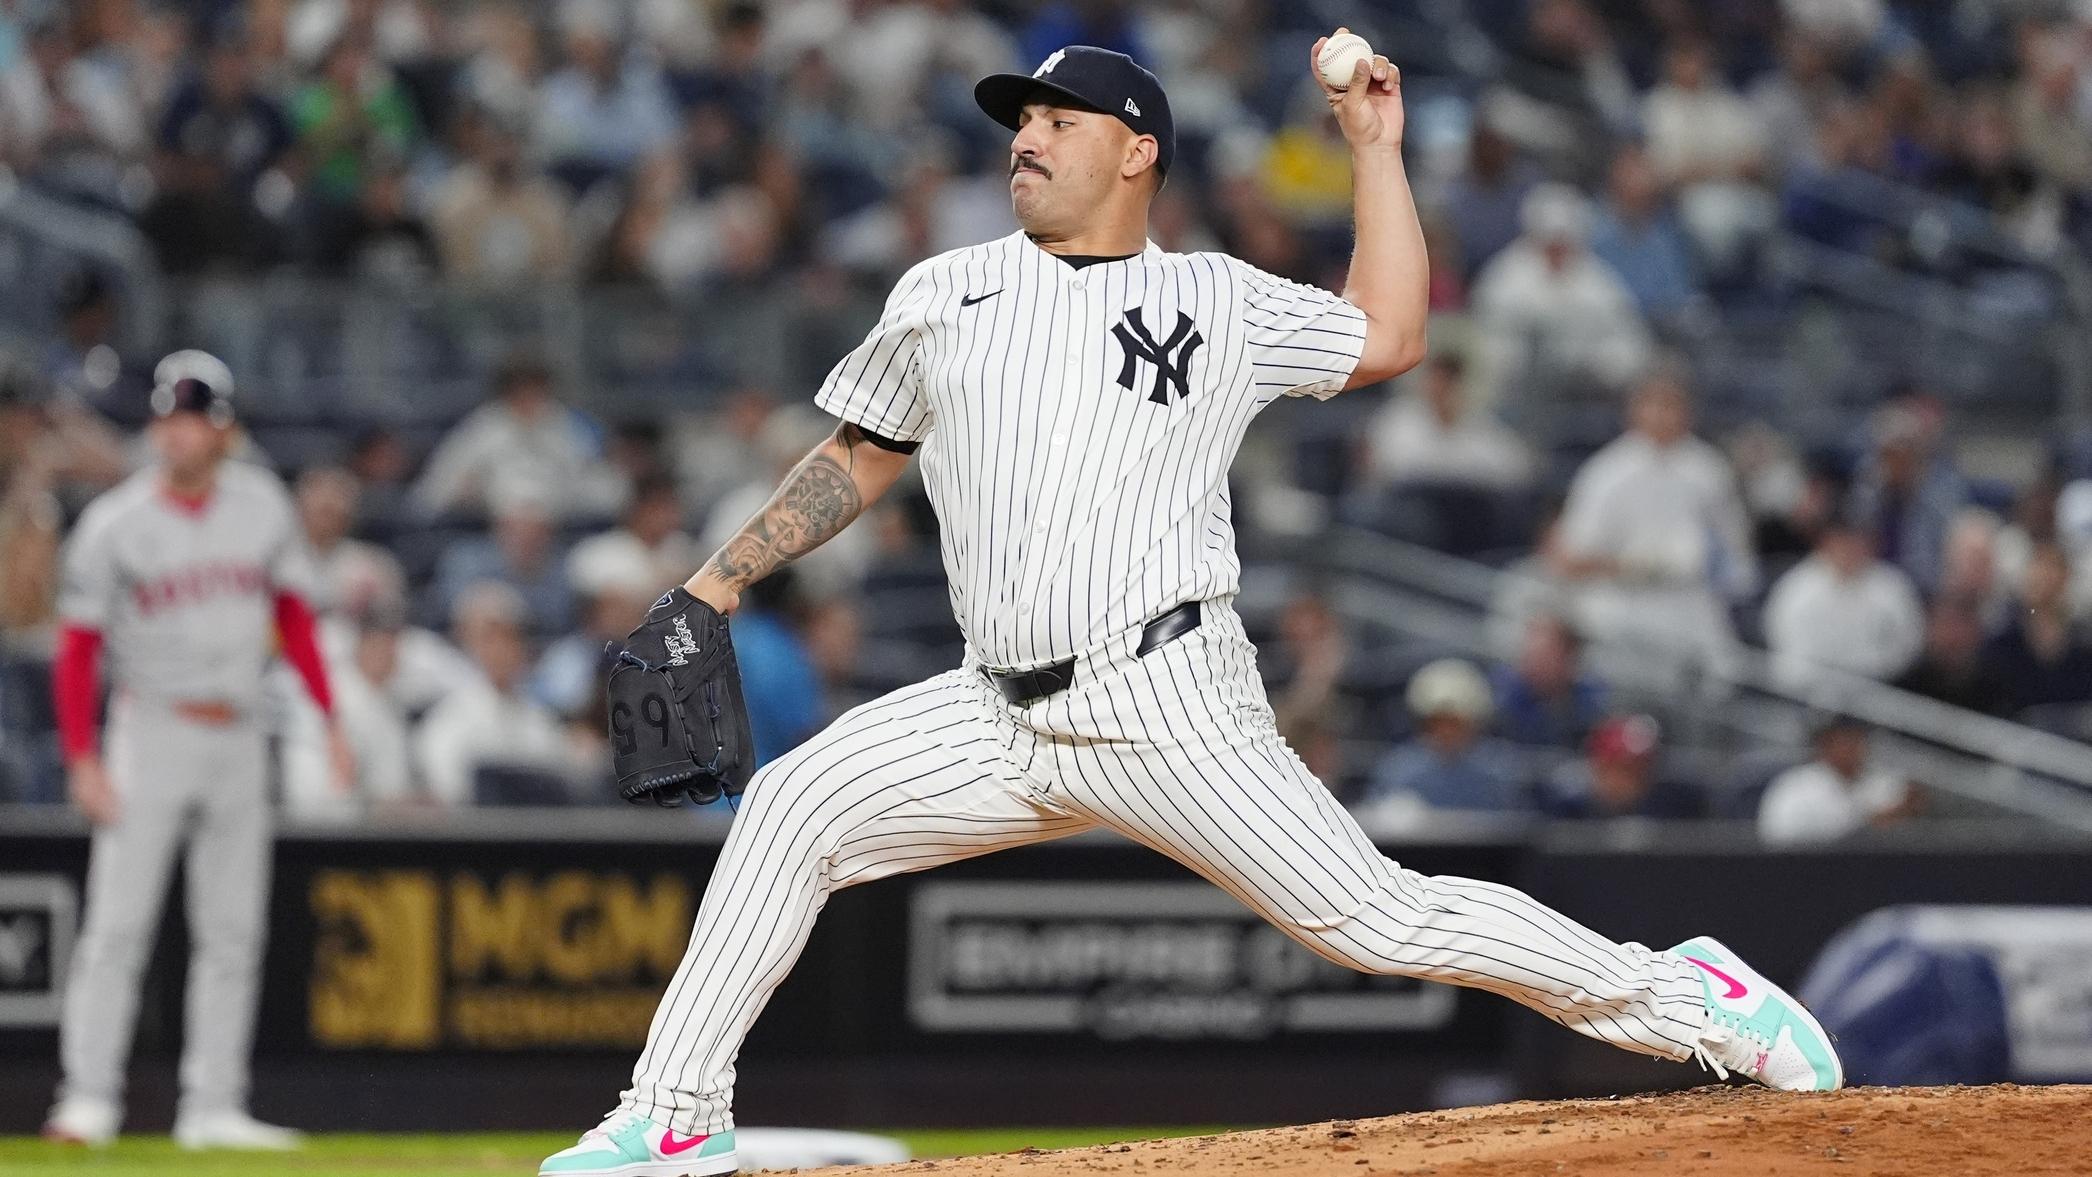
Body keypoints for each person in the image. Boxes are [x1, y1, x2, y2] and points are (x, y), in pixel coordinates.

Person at [540, 39, 1839, 1177]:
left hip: (1164, 694)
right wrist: (714, 581)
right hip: (995, 707)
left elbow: (1385, 337)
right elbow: (859, 454)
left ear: (1137, 151)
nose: (1027, 141)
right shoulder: (941, 294)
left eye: (1058, 122)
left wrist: (1372, 146)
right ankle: (671, 1118)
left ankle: (1692, 998)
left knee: (1377, 920)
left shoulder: (1212, 299)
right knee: (791, 807)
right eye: (1020, 124)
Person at [43, 352, 350, 1150]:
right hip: (152, 726)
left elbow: (294, 616)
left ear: (224, 429)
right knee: (118, 924)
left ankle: (213, 1103)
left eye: (192, 417)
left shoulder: (260, 506)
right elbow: (77, 647)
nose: (176, 432)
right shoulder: (116, 520)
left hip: (241, 729)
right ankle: (89, 1096)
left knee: (233, 928)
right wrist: (82, 756)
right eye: (167, 417)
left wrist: (330, 718)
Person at [1552, 369, 1757, 668]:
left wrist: (1700, 562)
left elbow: (1737, 557)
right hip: (1622, 603)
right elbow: (1569, 559)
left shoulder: (1708, 471)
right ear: (1633, 410)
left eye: (1671, 405)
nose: (1661, 415)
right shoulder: (1607, 473)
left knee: (1722, 667)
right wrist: (1635, 566)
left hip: (1690, 604)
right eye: (1652, 404)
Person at [414, 581, 582, 807]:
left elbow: (560, 785)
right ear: (470, 643)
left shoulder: (540, 719)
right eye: (489, 640)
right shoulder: (448, 718)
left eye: (511, 638)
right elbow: (447, 791)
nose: (501, 651)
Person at [411, 351, 622, 522]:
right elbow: (430, 495)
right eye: (520, 389)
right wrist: (464, 495)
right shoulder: (482, 428)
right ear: (506, 391)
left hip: (559, 533)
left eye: (536, 388)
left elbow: (606, 492)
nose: (529, 397)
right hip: (491, 534)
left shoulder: (569, 427)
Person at [1763, 513, 1925, 687]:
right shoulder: (1797, 590)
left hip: (1878, 690)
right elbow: (1789, 659)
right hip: (1810, 693)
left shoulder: (1893, 587)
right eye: (1842, 540)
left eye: (1856, 540)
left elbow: (1909, 645)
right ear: (1826, 542)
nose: (1849, 549)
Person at [1361, 659, 1530, 813]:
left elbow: (1516, 824)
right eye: (1438, 722)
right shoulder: (1398, 771)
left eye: (1456, 723)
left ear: (1474, 723)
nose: (1446, 732)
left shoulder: (1499, 773)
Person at [1758, 716, 1916, 846]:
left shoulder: (1882, 783)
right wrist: (1870, 826)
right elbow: (1779, 844)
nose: (1856, 747)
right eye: (1847, 739)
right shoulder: (1795, 788)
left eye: (1860, 738)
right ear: (1825, 743)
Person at [1538, 715, 1705, 821]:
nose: (1635, 782)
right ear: (1600, 767)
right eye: (1625, 769)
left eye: (1642, 770)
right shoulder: (1565, 806)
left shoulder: (1665, 804)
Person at [1492, 613, 1606, 749]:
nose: (1533, 663)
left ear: (1570, 657)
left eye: (1545, 656)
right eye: (1530, 655)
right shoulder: (1503, 696)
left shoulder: (1589, 707)